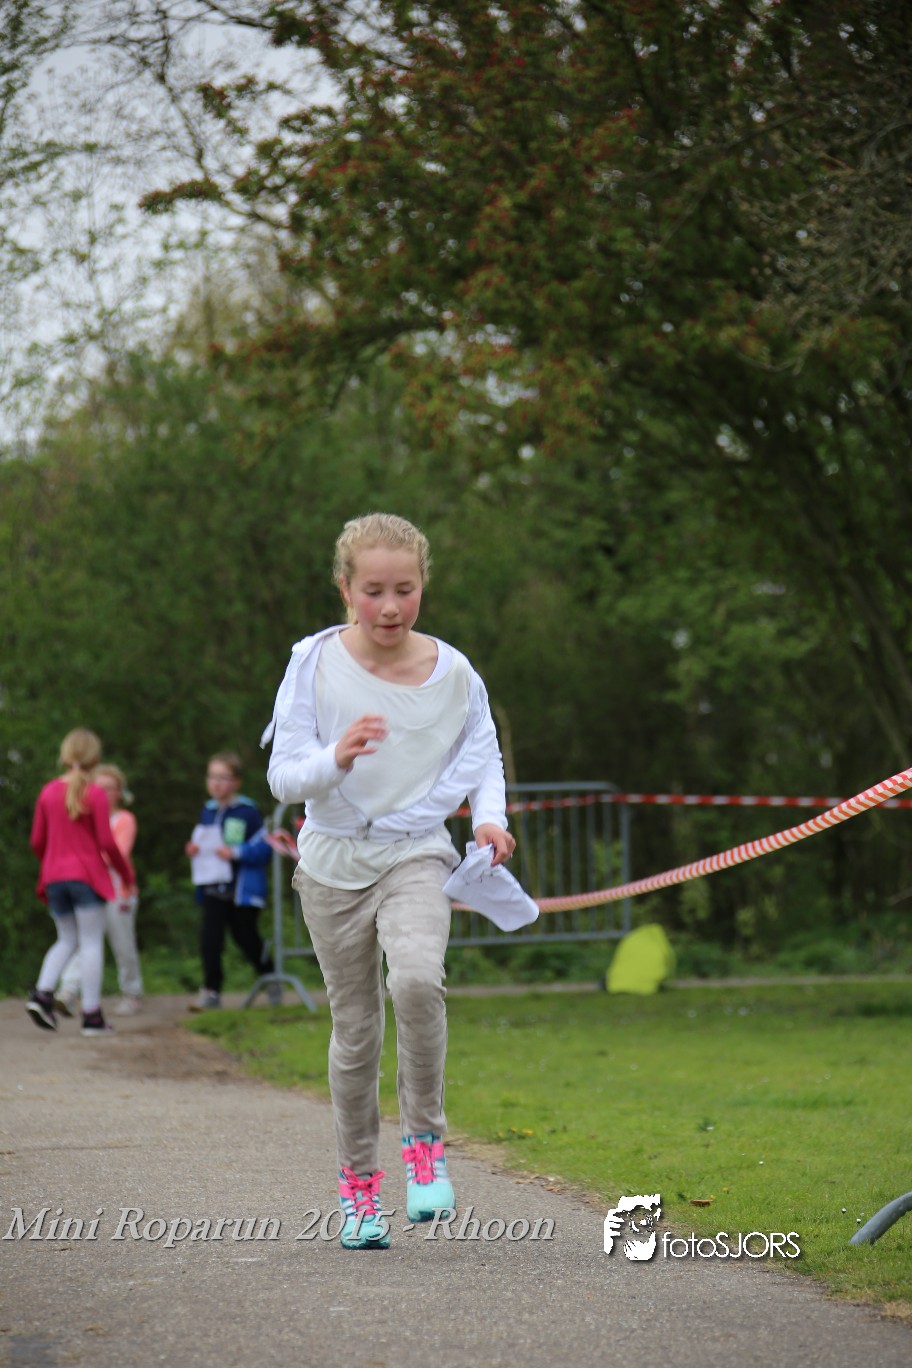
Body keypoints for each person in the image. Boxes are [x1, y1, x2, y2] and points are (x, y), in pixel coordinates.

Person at [263, 512, 515, 1250]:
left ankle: (425, 1145)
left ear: (422, 586)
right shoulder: (313, 663)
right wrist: (336, 757)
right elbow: (284, 777)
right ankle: (360, 1191)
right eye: (373, 591)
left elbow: (483, 753)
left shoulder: (455, 671)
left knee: (416, 980)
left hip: (416, 852)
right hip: (333, 864)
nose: (390, 607)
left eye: (405, 589)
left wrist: (489, 819)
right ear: (345, 589)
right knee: (356, 1032)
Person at [27, 729, 135, 1037]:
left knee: (66, 939)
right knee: (90, 942)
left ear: (64, 755)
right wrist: (126, 875)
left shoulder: (48, 791)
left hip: (53, 878)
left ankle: (43, 995)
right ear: (95, 758)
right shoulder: (95, 793)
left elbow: (36, 841)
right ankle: (92, 1016)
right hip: (86, 877)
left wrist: (52, 862)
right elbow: (106, 842)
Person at [185, 751, 275, 1010]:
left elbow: (264, 848)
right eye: (212, 777)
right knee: (210, 940)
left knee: (245, 936)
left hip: (241, 890)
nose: (216, 783)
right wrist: (194, 849)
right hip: (213, 887)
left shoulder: (248, 812)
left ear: (236, 782)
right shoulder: (207, 811)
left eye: (223, 777)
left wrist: (236, 852)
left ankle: (270, 976)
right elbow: (205, 842)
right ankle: (211, 990)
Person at [56, 764, 144, 1017]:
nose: (105, 793)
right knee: (85, 941)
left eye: (111, 788)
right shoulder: (84, 820)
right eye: (100, 788)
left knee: (123, 943)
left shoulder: (124, 819)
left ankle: (132, 992)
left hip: (119, 890)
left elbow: (118, 853)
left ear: (120, 792)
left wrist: (83, 859)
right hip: (90, 888)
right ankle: (69, 990)